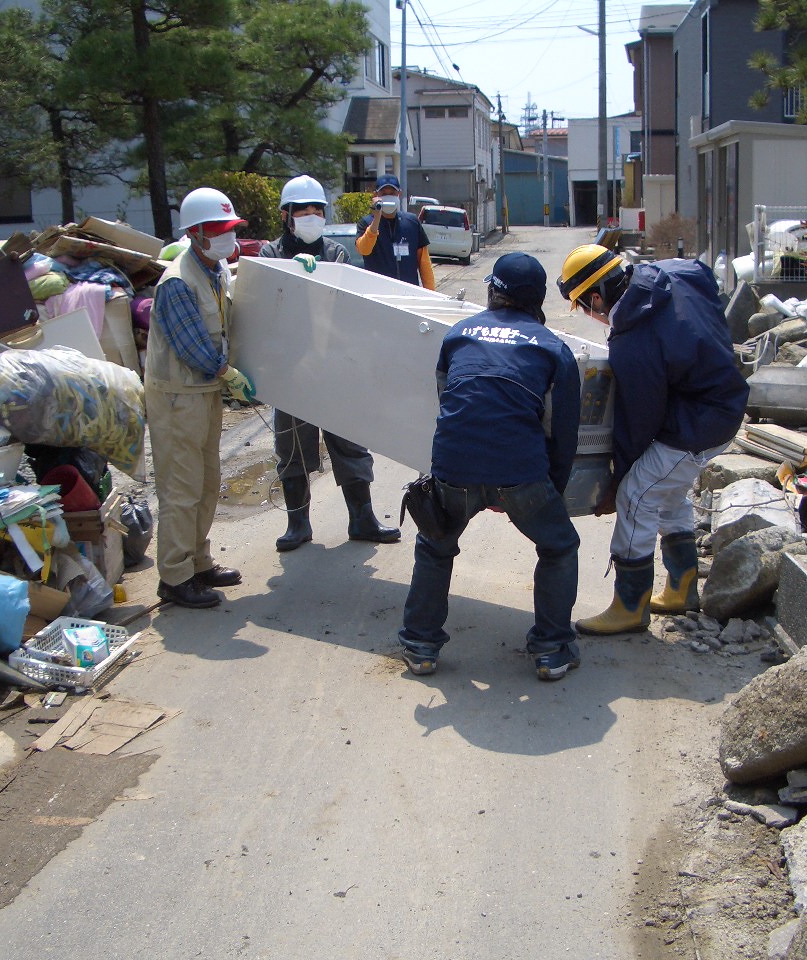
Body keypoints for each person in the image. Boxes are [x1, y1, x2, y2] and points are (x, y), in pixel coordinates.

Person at [398, 253, 582, 681]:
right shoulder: (555, 348)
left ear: (493, 291)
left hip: (453, 466)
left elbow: (451, 405)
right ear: (537, 300)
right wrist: (543, 491)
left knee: (435, 546)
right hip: (521, 471)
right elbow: (563, 434)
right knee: (558, 547)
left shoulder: (459, 334)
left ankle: (422, 647)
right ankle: (552, 650)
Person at [556, 246, 748, 631]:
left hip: (699, 423)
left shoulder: (633, 342)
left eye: (584, 307)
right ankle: (683, 588)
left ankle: (630, 606)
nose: (590, 316)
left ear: (597, 297)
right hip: (724, 401)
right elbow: (702, 272)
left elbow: (639, 423)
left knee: (638, 494)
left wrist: (616, 481)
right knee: (668, 492)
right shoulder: (674, 272)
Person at [258, 174, 400, 551]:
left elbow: (345, 305)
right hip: (291, 372)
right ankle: (298, 524)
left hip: (335, 368)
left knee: (351, 442)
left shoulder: (336, 254)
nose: (311, 217)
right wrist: (293, 275)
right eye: (302, 211)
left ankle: (362, 519)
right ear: (286, 215)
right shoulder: (271, 255)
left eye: (317, 211)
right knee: (293, 447)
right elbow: (268, 306)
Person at [146, 187, 255, 608]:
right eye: (219, 230)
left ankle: (198, 563)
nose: (228, 238)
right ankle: (174, 577)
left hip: (203, 394)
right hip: (178, 399)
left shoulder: (215, 271)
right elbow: (194, 348)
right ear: (195, 233)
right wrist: (229, 373)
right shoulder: (178, 282)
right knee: (181, 488)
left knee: (207, 483)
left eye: (232, 230)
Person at [355, 174, 436, 289]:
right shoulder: (366, 223)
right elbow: (364, 250)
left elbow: (424, 264)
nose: (388, 197)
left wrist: (431, 294)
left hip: (409, 293)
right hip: (378, 294)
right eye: (384, 194)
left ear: (399, 194)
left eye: (392, 193)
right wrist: (376, 219)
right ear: (375, 195)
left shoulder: (412, 222)